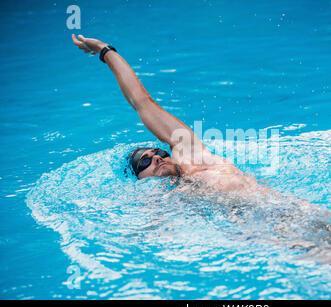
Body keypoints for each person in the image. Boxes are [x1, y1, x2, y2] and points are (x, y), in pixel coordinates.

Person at [72, 34, 270, 194]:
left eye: (160, 152)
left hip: (279, 211)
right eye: (145, 161)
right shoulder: (169, 199)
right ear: (140, 179)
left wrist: (104, 50)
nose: (157, 158)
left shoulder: (192, 159)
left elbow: (141, 102)